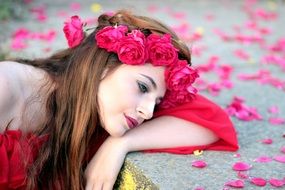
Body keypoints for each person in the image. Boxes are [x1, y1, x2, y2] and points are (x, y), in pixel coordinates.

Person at [0, 10, 238, 190]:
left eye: (156, 102)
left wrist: (120, 144)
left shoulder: (96, 113)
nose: (147, 112)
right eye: (143, 87)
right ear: (102, 65)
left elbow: (211, 122)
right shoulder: (6, 87)